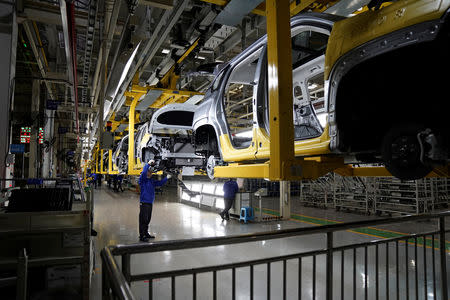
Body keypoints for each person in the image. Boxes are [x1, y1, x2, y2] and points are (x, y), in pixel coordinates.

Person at [138, 160, 171, 242]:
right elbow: (144, 172)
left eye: (150, 172)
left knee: (148, 219)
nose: (150, 173)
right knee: (143, 220)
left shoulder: (151, 181)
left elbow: (160, 183)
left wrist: (166, 178)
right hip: (144, 203)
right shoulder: (143, 180)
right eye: (149, 172)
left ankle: (146, 233)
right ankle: (142, 236)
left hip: (150, 203)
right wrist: (148, 164)